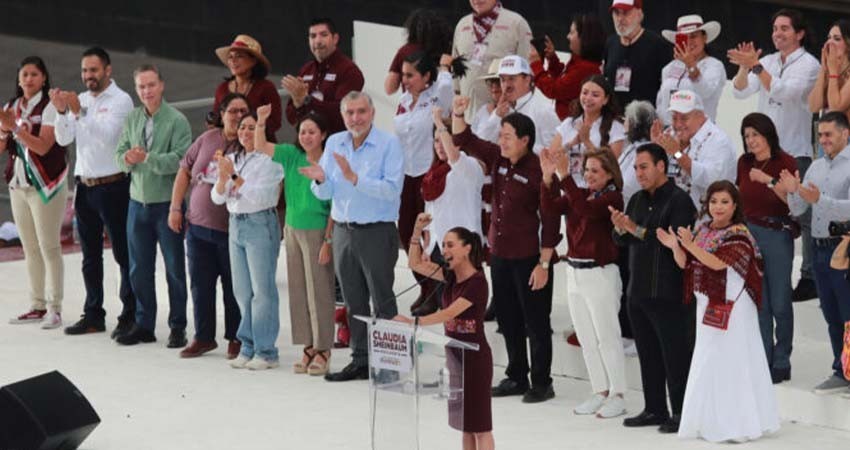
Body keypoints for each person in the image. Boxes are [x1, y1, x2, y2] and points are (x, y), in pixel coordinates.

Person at [452, 96, 560, 404]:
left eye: (508, 136)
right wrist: (458, 113)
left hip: (530, 258)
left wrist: (544, 264)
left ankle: (542, 382)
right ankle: (516, 375)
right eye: (501, 135)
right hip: (500, 255)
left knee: (536, 322)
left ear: (525, 140)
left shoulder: (540, 170)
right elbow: (465, 140)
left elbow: (551, 220)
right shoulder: (498, 160)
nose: (502, 141)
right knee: (508, 319)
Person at [658, 181, 779, 442]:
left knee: (733, 361)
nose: (718, 207)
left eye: (725, 202)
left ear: (735, 206)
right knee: (708, 360)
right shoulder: (703, 230)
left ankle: (738, 424)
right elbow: (686, 264)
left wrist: (690, 245)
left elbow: (717, 263)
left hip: (734, 307)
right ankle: (709, 420)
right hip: (707, 304)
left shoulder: (739, 235)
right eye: (714, 201)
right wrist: (676, 247)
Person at [300, 91, 404, 382]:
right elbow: (326, 193)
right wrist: (321, 179)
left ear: (372, 113)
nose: (356, 118)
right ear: (343, 115)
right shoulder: (335, 142)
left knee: (382, 300)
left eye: (361, 112)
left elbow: (392, 189)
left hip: (376, 231)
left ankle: (390, 365)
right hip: (344, 231)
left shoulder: (389, 144)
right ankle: (360, 360)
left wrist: (355, 178)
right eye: (350, 113)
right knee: (353, 300)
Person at [729, 8, 820, 302]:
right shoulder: (767, 61)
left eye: (784, 28)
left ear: (799, 33)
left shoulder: (809, 64)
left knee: (802, 215)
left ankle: (809, 276)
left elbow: (783, 92)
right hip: (763, 153)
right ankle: (758, 269)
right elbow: (740, 91)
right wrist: (744, 67)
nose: (777, 33)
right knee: (759, 208)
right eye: (775, 28)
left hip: (794, 150)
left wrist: (756, 66)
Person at [610, 143, 696, 433]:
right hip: (638, 289)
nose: (639, 173)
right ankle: (654, 408)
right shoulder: (635, 199)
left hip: (668, 291)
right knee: (648, 355)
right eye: (636, 168)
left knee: (675, 356)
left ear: (661, 166)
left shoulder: (679, 200)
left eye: (644, 167)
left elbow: (670, 240)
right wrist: (620, 228)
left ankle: (682, 412)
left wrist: (633, 229)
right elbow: (623, 241)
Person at [51, 47, 135, 338]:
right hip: (85, 186)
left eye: (94, 70)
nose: (88, 76)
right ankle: (93, 314)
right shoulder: (82, 99)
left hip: (114, 185)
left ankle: (130, 313)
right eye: (85, 70)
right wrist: (62, 112)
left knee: (123, 253)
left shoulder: (121, 100)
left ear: (107, 70)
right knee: (90, 256)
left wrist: (78, 111)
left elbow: (109, 136)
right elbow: (63, 138)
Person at [540, 147, 627, 418]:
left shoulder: (613, 197)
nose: (589, 175)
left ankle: (618, 394)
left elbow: (586, 211)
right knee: (586, 337)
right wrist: (547, 178)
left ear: (610, 174)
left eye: (595, 171)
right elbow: (550, 208)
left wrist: (564, 176)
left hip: (600, 273)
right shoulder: (579, 194)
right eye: (586, 170)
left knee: (606, 337)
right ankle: (599, 390)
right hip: (574, 272)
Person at [398, 220, 494, 450]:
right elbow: (414, 263)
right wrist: (416, 232)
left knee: (480, 427)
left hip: (474, 360)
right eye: (443, 245)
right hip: (455, 359)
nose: (445, 250)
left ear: (467, 248)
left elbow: (449, 313)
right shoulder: (450, 277)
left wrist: (413, 322)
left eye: (450, 245)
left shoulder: (477, 283)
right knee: (465, 425)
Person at [113, 64, 192, 347]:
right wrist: (127, 159)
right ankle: (144, 324)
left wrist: (147, 159)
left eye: (151, 85)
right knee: (139, 269)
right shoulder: (133, 118)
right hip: (137, 204)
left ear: (162, 85)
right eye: (141, 86)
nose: (146, 91)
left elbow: (181, 160)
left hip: (167, 205)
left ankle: (178, 326)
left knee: (174, 269)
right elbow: (119, 152)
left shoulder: (177, 120)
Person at [256, 105, 334, 376]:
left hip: (318, 231)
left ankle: (324, 348)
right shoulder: (291, 155)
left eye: (312, 132)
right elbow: (261, 146)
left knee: (320, 291)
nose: (306, 137)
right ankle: (308, 344)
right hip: (291, 229)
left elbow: (336, 206)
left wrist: (328, 240)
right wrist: (261, 121)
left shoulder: (330, 162)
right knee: (298, 291)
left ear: (323, 134)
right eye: (302, 132)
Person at [169, 94, 247, 359]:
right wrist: (175, 207)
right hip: (198, 227)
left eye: (243, 111)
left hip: (231, 229)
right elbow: (184, 171)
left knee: (233, 286)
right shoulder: (207, 138)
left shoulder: (249, 143)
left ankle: (236, 337)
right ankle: (203, 337)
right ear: (222, 114)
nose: (238, 116)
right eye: (233, 111)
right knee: (200, 285)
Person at [780, 111, 850, 395]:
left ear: (845, 133)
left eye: (828, 134)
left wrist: (820, 198)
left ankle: (846, 371)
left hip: (843, 247)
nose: (823, 140)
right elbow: (799, 209)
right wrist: (792, 191)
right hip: (819, 248)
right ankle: (842, 369)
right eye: (820, 135)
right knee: (832, 314)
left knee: (848, 314)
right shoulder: (816, 167)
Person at [211, 112, 284, 370]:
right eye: (242, 127)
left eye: (252, 127)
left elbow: (261, 196)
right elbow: (217, 198)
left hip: (259, 223)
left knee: (262, 290)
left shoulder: (270, 160)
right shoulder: (232, 158)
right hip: (236, 224)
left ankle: (266, 351)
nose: (245, 132)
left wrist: (232, 177)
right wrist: (223, 178)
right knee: (242, 290)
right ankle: (248, 345)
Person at [1, 56, 67, 330]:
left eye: (34, 74)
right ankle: (37, 305)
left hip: (46, 184)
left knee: (49, 246)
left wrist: (15, 128)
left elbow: (42, 146)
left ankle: (55, 308)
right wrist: (4, 130)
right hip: (18, 185)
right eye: (24, 74)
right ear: (18, 79)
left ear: (44, 78)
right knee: (29, 248)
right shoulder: (11, 106)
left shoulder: (50, 106)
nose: (28, 79)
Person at [736, 113, 799, 383]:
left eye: (755, 134)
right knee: (759, 300)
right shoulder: (744, 162)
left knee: (780, 301)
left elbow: (794, 203)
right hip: (750, 233)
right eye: (747, 136)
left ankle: (782, 358)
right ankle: (764, 357)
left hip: (776, 233)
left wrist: (768, 180)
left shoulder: (785, 162)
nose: (751, 141)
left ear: (768, 134)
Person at [395, 52, 456, 315]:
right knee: (407, 232)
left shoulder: (437, 97)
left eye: (410, 75)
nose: (405, 80)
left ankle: (438, 290)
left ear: (426, 76)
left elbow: (446, 86)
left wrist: (443, 66)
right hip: (405, 176)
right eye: (403, 75)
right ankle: (424, 285)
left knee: (431, 235)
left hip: (429, 172)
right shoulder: (403, 101)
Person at [417, 107, 487, 316]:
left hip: (464, 249)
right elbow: (430, 212)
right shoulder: (434, 173)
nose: (439, 145)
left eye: (443, 139)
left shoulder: (469, 167)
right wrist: (427, 247)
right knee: (445, 307)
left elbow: (454, 157)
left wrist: (439, 122)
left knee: (465, 312)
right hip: (439, 247)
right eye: (436, 141)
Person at [616, 100, 657, 353]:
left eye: (627, 120)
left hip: (637, 219)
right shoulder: (630, 148)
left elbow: (630, 184)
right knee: (624, 277)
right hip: (624, 218)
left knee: (633, 278)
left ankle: (634, 334)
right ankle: (626, 330)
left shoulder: (645, 151)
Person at [651, 90, 737, 209]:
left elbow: (712, 181)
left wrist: (677, 154)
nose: (678, 124)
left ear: (700, 116)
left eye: (684, 118)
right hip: (671, 212)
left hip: (707, 216)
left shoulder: (719, 141)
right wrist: (654, 149)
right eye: (674, 118)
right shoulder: (670, 134)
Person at [452, 0, 532, 120]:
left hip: (505, 116)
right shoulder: (462, 25)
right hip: (468, 113)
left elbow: (528, 69)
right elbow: (456, 67)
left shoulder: (516, 23)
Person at [283, 17, 365, 134]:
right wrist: (298, 103)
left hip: (338, 141)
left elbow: (342, 113)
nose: (317, 41)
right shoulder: (306, 70)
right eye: (313, 36)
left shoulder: (349, 71)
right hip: (307, 142)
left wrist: (307, 100)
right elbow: (291, 118)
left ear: (335, 39)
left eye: (323, 35)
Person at [473, 55, 559, 155]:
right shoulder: (501, 111)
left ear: (527, 80)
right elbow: (481, 145)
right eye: (503, 80)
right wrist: (496, 116)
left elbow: (555, 151)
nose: (506, 85)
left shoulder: (543, 110)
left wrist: (521, 147)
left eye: (512, 79)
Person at [549, 75, 625, 188]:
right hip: (568, 186)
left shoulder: (615, 127)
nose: (588, 98)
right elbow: (552, 156)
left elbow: (612, 166)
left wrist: (587, 141)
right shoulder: (569, 123)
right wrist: (571, 144)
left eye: (595, 95)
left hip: (598, 190)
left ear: (605, 99)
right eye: (584, 93)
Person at [531, 14, 605, 121]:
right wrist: (552, 59)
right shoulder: (579, 62)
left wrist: (536, 64)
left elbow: (555, 90)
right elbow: (564, 82)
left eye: (572, 32)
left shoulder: (585, 68)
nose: (567, 36)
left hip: (574, 125)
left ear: (583, 37)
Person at [657, 15, 726, 125]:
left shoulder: (714, 65)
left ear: (704, 38)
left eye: (693, 36)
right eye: (684, 38)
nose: (689, 42)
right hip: (672, 129)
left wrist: (691, 65)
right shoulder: (669, 67)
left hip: (701, 129)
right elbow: (661, 101)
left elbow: (705, 92)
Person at [212, 35, 281, 142]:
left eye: (239, 56)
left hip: (260, 145)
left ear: (253, 61)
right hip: (229, 145)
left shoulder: (266, 87)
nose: (233, 60)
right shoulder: (222, 88)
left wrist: (250, 129)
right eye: (230, 57)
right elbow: (216, 120)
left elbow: (275, 122)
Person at [603, 0, 670, 108]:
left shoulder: (657, 44)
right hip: (615, 114)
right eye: (616, 13)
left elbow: (666, 85)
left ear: (639, 15)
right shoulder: (611, 43)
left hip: (645, 114)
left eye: (625, 13)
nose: (620, 19)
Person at [384, 8, 453, 95]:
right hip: (439, 101)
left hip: (413, 102)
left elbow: (389, 88)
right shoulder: (446, 51)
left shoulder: (405, 51)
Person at [809, 20, 850, 121]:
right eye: (829, 38)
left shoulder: (834, 71)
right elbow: (814, 107)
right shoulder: (830, 70)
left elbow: (836, 108)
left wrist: (833, 71)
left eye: (837, 39)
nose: (829, 42)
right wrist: (824, 68)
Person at [471, 59, 503, 139]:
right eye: (490, 83)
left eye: (498, 83)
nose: (494, 89)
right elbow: (473, 138)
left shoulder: (515, 111)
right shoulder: (483, 110)